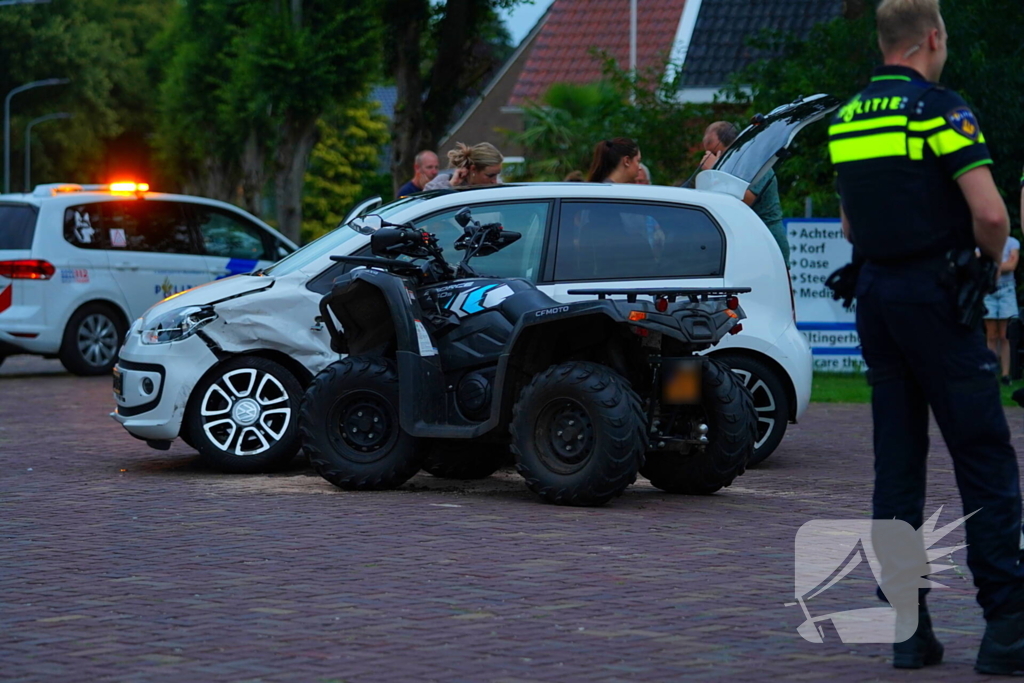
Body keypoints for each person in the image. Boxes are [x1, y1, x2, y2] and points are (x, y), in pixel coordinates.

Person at [828, 0, 1024, 674]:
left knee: (899, 466)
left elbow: (851, 229)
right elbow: (991, 212)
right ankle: (1006, 628)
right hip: (935, 297)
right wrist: (983, 262)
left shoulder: (849, 117)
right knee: (983, 459)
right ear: (932, 39)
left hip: (875, 300)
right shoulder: (938, 108)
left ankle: (909, 628)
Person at [700, 121, 789, 263]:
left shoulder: (755, 163)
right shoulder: (729, 169)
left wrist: (715, 169)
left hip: (768, 242)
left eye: (714, 152)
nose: (708, 158)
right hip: (746, 241)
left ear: (733, 145)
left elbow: (743, 200)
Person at [984, 234, 1020, 385]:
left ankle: (1006, 374)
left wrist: (992, 265)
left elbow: (1012, 266)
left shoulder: (1012, 242)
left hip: (1006, 290)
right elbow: (980, 264)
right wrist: (1002, 265)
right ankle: (991, 372)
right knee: (991, 336)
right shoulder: (983, 240)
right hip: (988, 290)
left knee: (1005, 335)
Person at [423, 142, 503, 191]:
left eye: (497, 175)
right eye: (490, 176)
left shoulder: (497, 188)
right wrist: (451, 184)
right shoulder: (445, 181)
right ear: (473, 169)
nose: (495, 182)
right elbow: (424, 204)